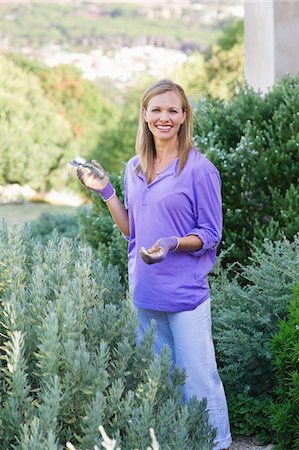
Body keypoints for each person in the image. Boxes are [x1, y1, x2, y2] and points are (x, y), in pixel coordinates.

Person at [76, 79, 232, 450]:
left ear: (183, 117)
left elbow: (210, 233)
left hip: (186, 294)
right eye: (156, 110)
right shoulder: (134, 167)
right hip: (144, 291)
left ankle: (216, 443)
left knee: (197, 377)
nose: (164, 117)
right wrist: (106, 191)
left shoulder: (199, 169)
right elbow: (133, 230)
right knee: (157, 378)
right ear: (145, 115)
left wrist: (172, 243)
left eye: (172, 110)